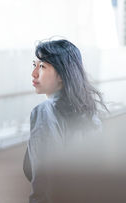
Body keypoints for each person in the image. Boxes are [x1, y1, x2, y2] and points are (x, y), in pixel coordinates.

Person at [23, 38, 108, 203]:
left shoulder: (45, 112)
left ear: (62, 74)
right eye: (34, 65)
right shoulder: (88, 114)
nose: (34, 73)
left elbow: (45, 178)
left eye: (42, 67)